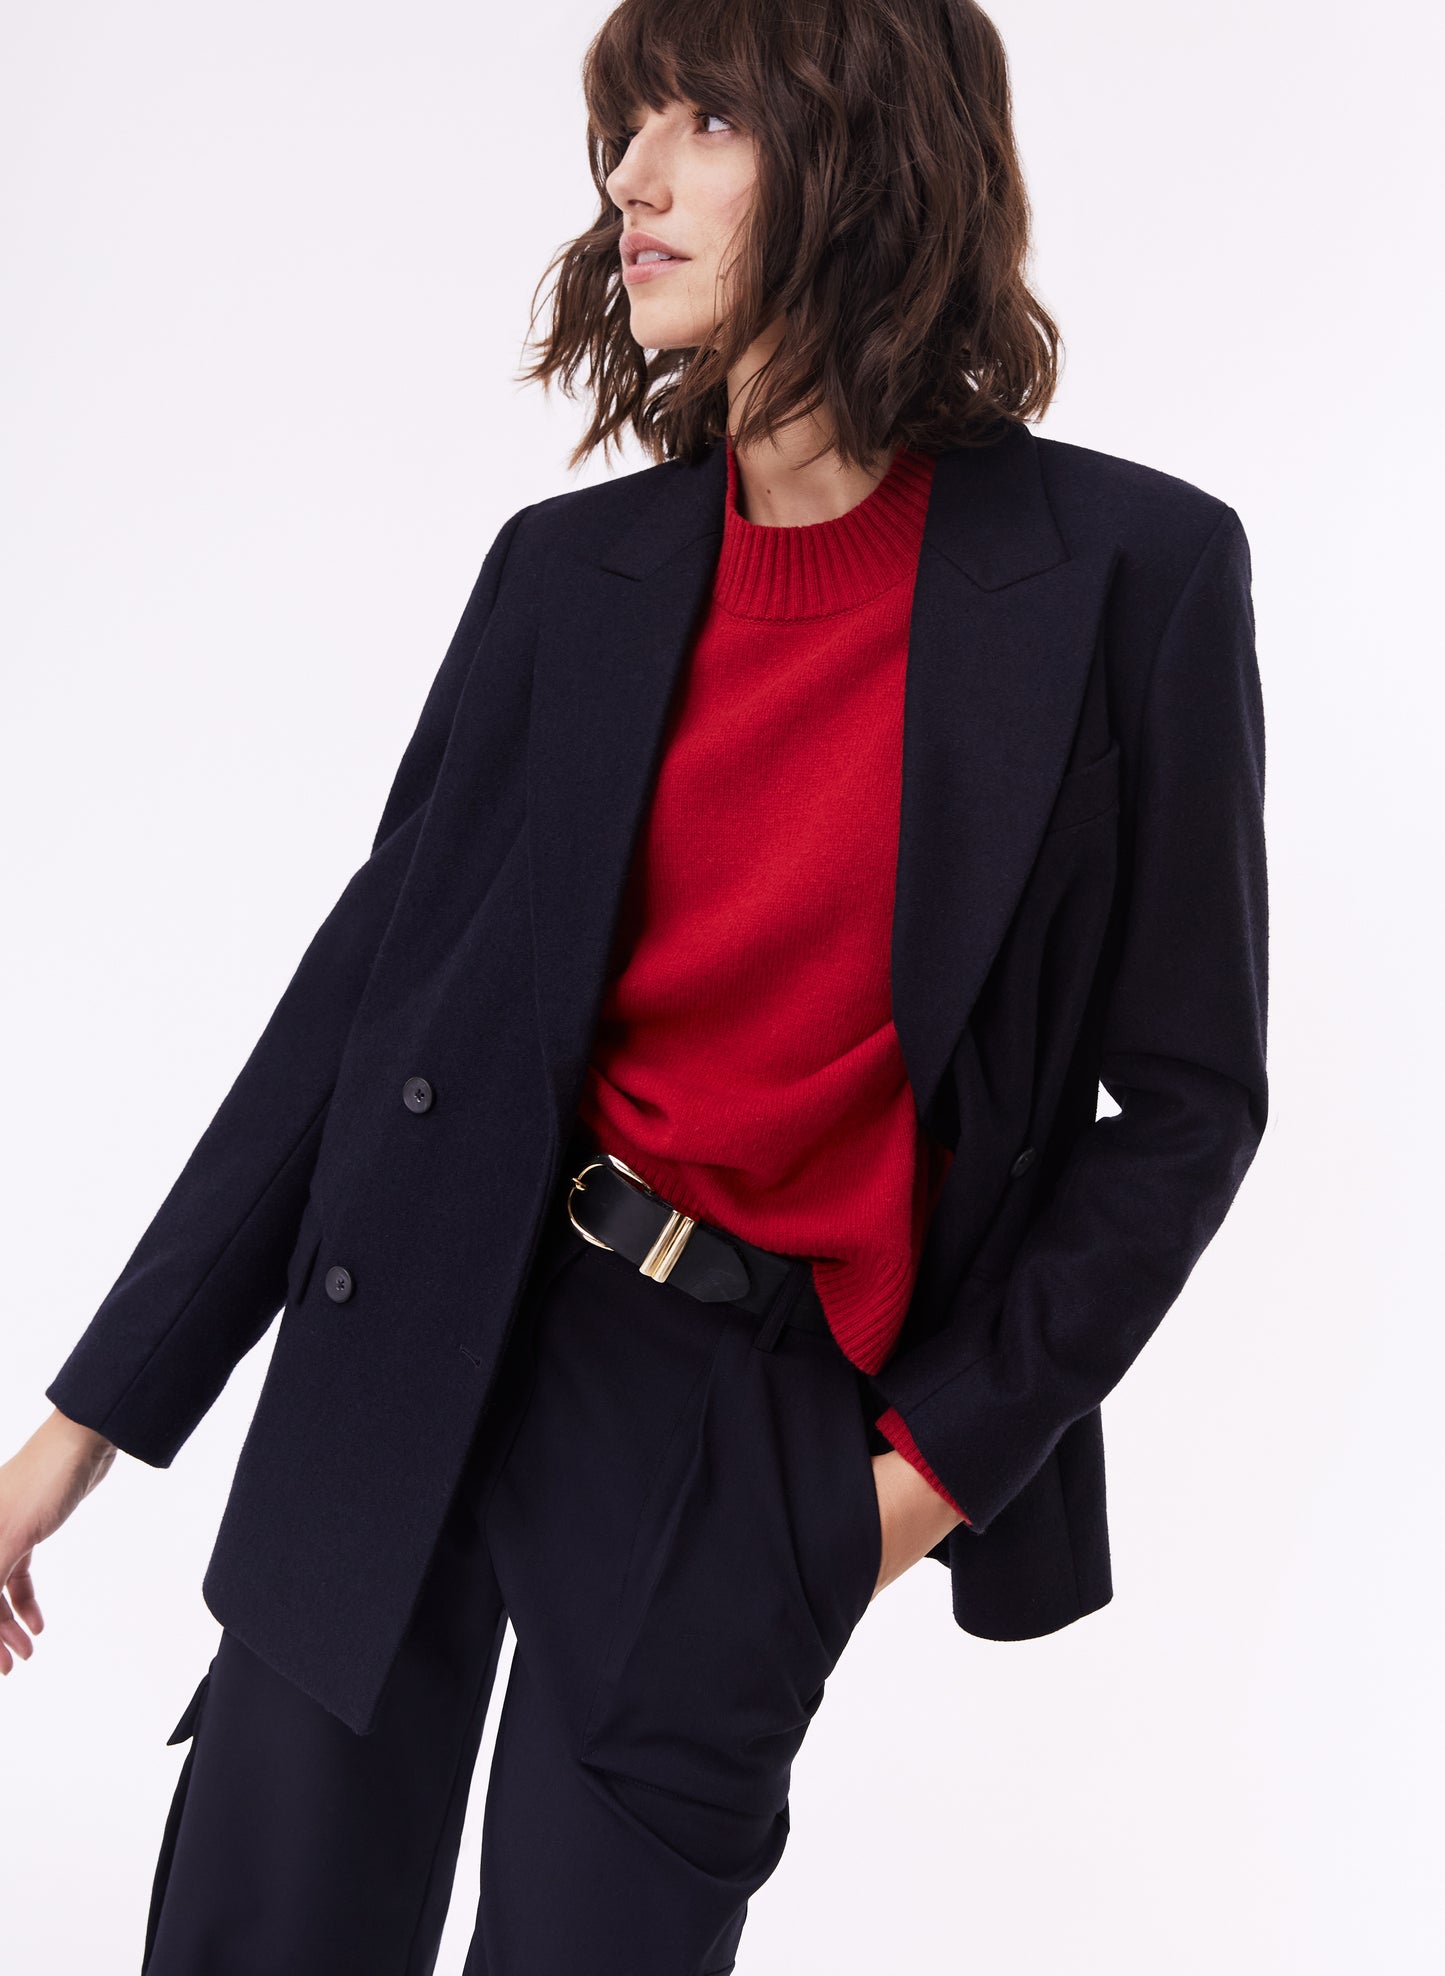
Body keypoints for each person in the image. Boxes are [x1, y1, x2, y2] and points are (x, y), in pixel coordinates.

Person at [0, 1, 1269, 1969]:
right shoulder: (565, 572)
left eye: (704, 122)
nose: (630, 177)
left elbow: (1187, 1102)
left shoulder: (1128, 575)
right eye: (623, 128)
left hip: (736, 1425)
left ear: (868, 159)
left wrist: (912, 1484)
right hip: (422, 1313)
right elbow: (363, 1005)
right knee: (263, 1931)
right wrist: (74, 1433)